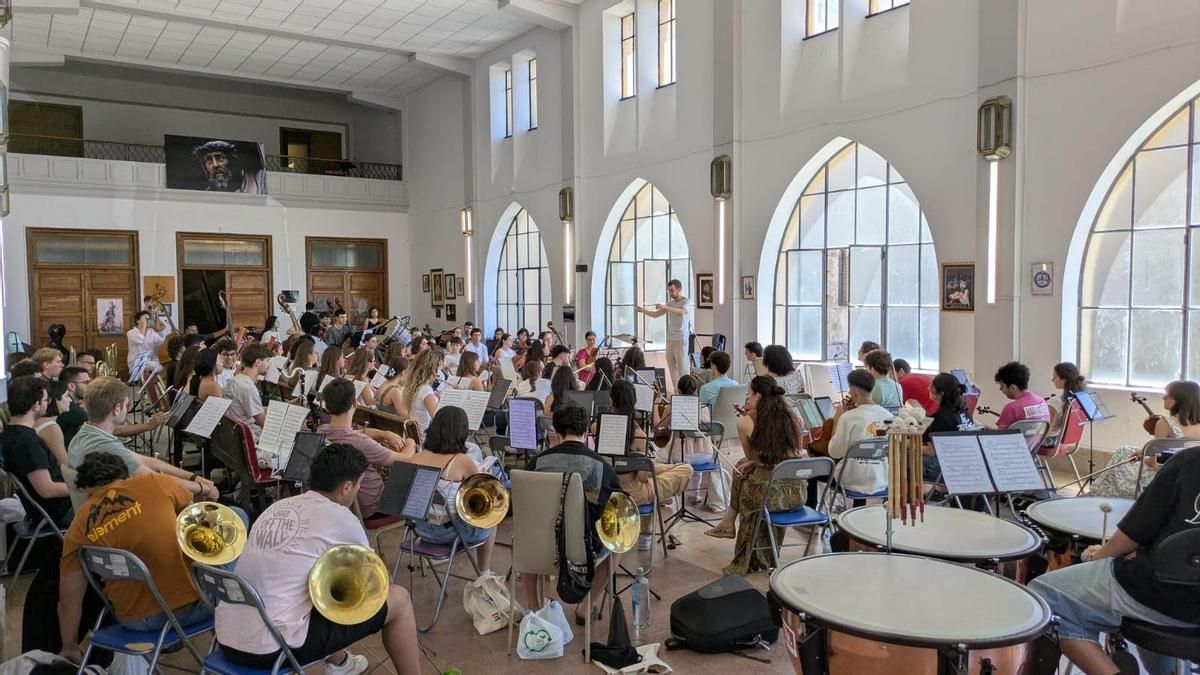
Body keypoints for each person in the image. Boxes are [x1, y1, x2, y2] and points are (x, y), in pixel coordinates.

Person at [214, 444, 421, 675]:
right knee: (399, 599)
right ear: (346, 487)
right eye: (359, 484)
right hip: (272, 648)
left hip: (227, 635)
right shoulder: (340, 516)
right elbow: (374, 581)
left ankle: (340, 663)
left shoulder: (276, 507)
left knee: (310, 591)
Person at [57, 452, 247, 664]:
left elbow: (68, 600)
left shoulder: (78, 525)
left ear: (85, 490)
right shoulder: (154, 482)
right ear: (127, 476)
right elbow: (195, 520)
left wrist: (70, 647)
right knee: (237, 515)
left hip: (132, 620)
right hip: (190, 609)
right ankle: (236, 624)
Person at [1026, 445, 1200, 675]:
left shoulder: (1189, 462)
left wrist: (1096, 556)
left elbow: (1133, 535)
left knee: (1044, 594)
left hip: (1163, 595)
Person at [521, 406, 623, 624]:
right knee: (619, 542)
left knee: (525, 536)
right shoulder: (602, 467)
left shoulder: (535, 464)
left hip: (538, 550)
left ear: (556, 433)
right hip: (583, 552)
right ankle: (587, 607)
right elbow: (615, 510)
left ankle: (534, 607)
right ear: (586, 432)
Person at [706, 376, 808, 576]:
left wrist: (749, 422)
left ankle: (729, 520)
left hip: (769, 495)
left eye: (749, 395)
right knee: (744, 466)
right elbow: (790, 453)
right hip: (796, 492)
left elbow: (753, 456)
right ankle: (729, 521)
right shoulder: (794, 417)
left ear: (758, 396)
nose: (748, 400)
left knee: (744, 471)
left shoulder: (745, 422)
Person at [67, 376, 219, 499]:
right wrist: (203, 489)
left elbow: (147, 461)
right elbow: (155, 480)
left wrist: (195, 478)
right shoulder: (106, 447)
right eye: (126, 405)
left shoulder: (86, 433)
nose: (127, 410)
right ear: (117, 409)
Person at [407, 407, 498, 571]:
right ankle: (484, 572)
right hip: (451, 533)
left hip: (420, 529)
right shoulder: (462, 461)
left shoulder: (417, 457)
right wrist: (486, 476)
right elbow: (485, 497)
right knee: (491, 520)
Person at [317, 379, 414, 517]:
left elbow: (353, 433)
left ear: (327, 407)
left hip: (340, 502)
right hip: (373, 507)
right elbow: (406, 458)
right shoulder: (360, 443)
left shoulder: (322, 431)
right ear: (355, 403)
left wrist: (383, 434)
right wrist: (411, 441)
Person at [1092, 381, 1200, 499]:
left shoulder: (1165, 423)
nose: (1163, 397)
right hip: (1192, 473)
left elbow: (1154, 463)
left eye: (1167, 395)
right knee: (1125, 450)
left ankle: (1099, 494)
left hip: (1164, 474)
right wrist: (1145, 451)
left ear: (1179, 399)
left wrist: (1144, 456)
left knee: (1121, 454)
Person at [1, 376, 73, 529]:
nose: (48, 404)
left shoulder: (11, 433)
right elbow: (47, 490)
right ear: (36, 405)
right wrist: (81, 488)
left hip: (49, 508)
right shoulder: (27, 442)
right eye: (46, 400)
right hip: (57, 511)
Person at [826, 369, 893, 496]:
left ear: (855, 392)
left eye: (850, 389)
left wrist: (837, 420)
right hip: (881, 478)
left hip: (852, 479)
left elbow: (834, 452)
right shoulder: (889, 416)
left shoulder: (848, 417)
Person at [921, 373, 979, 480]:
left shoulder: (940, 418)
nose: (928, 388)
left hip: (947, 468)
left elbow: (931, 451)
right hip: (969, 465)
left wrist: (906, 445)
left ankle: (914, 494)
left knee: (905, 456)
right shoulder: (965, 414)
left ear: (941, 393)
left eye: (932, 386)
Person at [635, 279, 693, 387]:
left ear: (679, 289)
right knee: (672, 369)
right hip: (670, 339)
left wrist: (664, 306)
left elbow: (682, 312)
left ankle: (686, 394)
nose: (670, 293)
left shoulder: (686, 302)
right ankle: (676, 393)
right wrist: (643, 311)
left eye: (672, 290)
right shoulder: (670, 304)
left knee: (682, 369)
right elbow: (656, 315)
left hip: (681, 339)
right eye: (669, 291)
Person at [224, 344, 271, 436]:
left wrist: (287, 406)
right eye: (267, 361)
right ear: (258, 362)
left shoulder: (235, 379)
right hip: (247, 434)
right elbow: (263, 422)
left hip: (233, 432)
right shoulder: (248, 388)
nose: (268, 365)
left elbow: (254, 408)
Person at [993, 361, 1050, 430]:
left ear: (1012, 388)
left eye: (1002, 386)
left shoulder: (1011, 408)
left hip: (1015, 441)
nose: (1000, 389)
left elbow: (999, 436)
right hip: (1038, 441)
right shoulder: (1042, 402)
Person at [400, 350, 441, 439]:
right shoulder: (426, 390)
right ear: (433, 368)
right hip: (424, 437)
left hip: (411, 434)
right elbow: (438, 418)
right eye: (438, 366)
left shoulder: (409, 386)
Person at [37, 380, 74, 466]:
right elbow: (63, 464)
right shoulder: (51, 427)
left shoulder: (42, 420)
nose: (70, 400)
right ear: (55, 399)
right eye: (66, 396)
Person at [58, 366, 91, 447]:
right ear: (72, 386)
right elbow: (101, 427)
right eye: (86, 383)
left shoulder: (73, 406)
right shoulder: (71, 409)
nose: (90, 386)